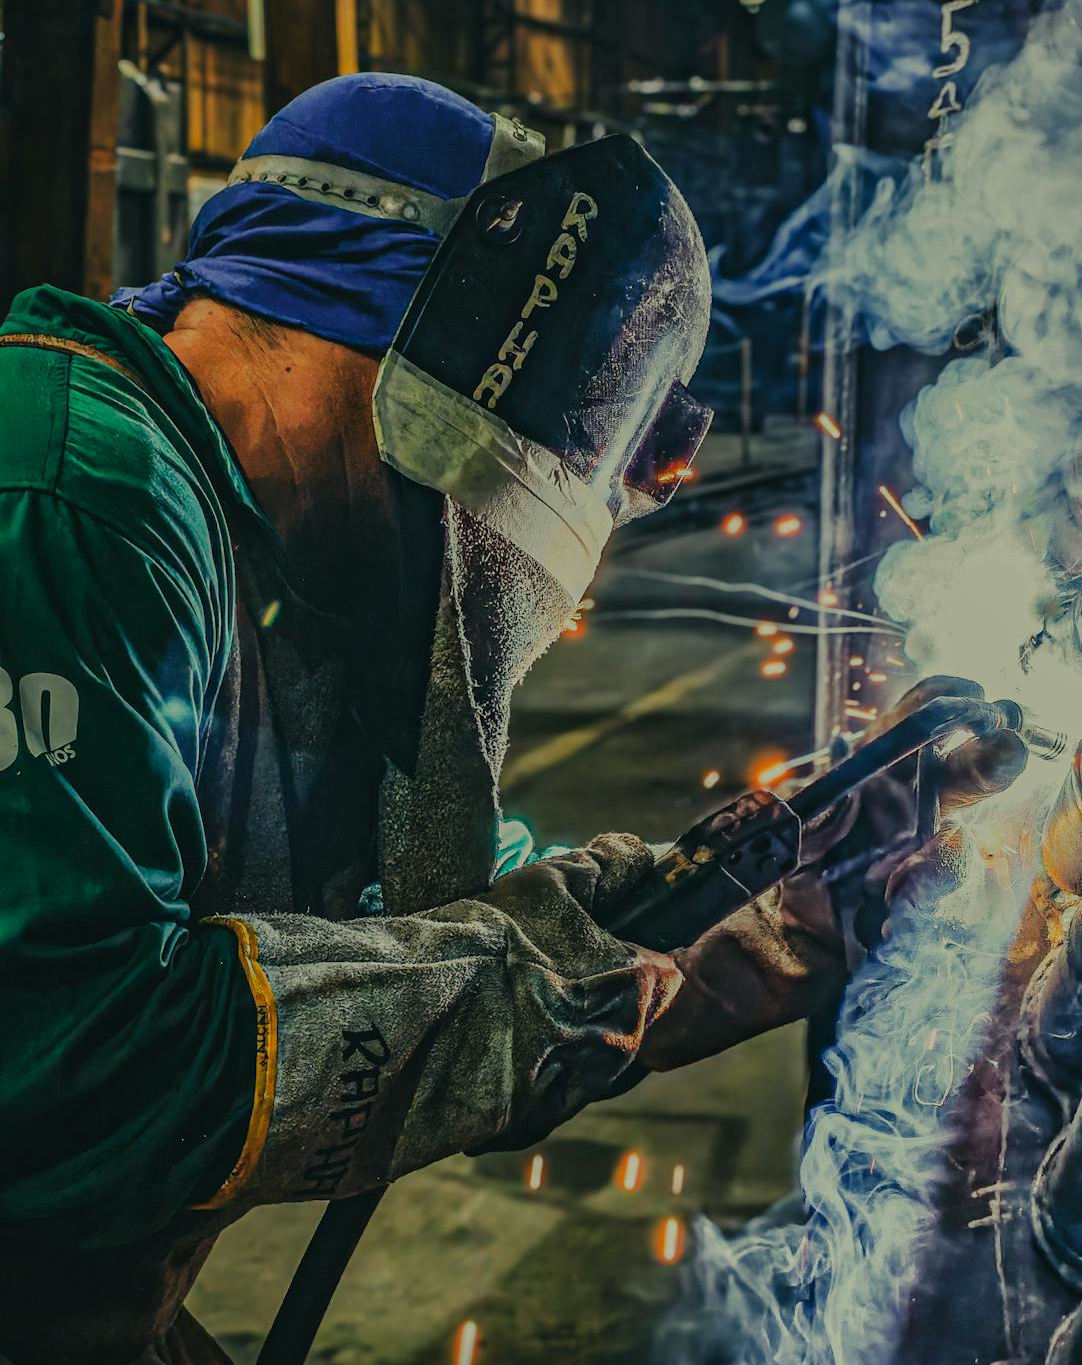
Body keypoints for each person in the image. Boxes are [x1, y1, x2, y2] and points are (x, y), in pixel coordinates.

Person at [0, 75, 1024, 1365]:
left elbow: (423, 931)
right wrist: (541, 993)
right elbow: (63, 1074)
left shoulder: (280, 561)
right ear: (429, 347)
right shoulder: (70, 494)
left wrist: (794, 900)